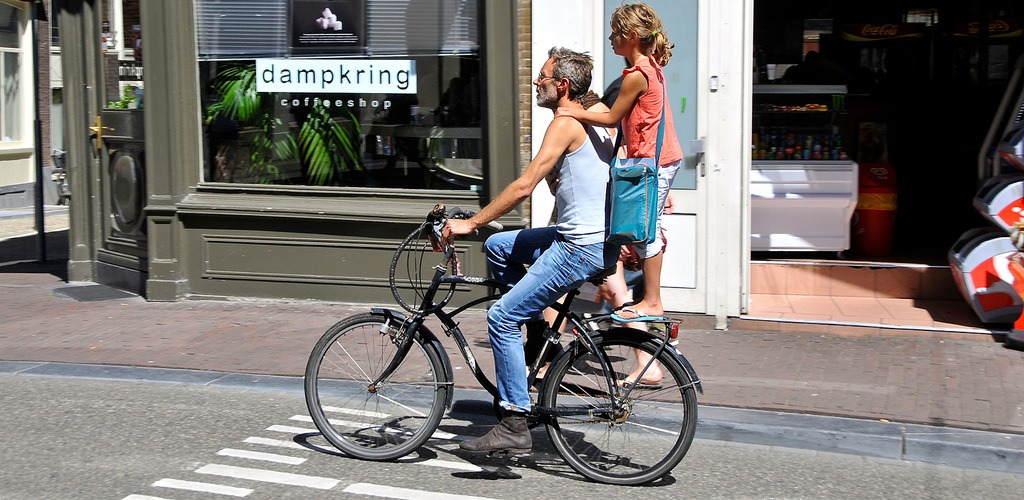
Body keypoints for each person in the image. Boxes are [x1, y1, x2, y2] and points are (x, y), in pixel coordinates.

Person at [443, 47, 619, 453]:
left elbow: (525, 186)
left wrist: (470, 222)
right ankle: (538, 334)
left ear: (562, 85)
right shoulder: (595, 111)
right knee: (499, 246)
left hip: (578, 245)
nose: (535, 82)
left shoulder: (565, 122)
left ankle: (514, 421)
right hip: (591, 237)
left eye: (542, 76)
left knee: (502, 317)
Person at [556, 2, 683, 324]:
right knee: (641, 229)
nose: (610, 38)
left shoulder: (637, 75)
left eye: (615, 33)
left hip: (653, 160)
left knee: (646, 232)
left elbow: (612, 119)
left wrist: (572, 111)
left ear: (631, 36)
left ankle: (652, 301)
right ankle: (639, 294)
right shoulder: (651, 68)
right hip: (657, 159)